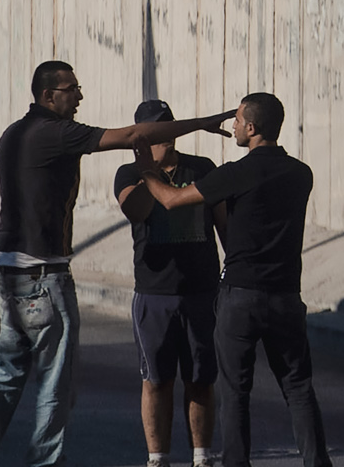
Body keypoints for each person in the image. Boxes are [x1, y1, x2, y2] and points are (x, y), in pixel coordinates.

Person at [0, 61, 231, 467]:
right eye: (72, 89)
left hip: (8, 270)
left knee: (4, 373)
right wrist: (203, 123)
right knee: (57, 382)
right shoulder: (57, 133)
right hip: (43, 275)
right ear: (48, 95)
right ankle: (45, 462)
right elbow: (133, 137)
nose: (80, 97)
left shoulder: (14, 134)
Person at [135, 92, 330, 467]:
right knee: (299, 387)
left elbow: (173, 201)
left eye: (238, 121)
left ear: (252, 128)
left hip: (241, 296)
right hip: (287, 295)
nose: (234, 127)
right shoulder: (301, 173)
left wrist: (146, 169)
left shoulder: (236, 173)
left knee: (236, 391)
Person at [113, 98, 222, 467]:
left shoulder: (202, 168)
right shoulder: (128, 174)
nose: (162, 137)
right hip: (154, 292)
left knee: (201, 378)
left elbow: (223, 223)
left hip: (202, 290)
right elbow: (137, 211)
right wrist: (150, 172)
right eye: (153, 131)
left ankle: (202, 455)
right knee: (156, 381)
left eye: (166, 128)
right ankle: (157, 458)